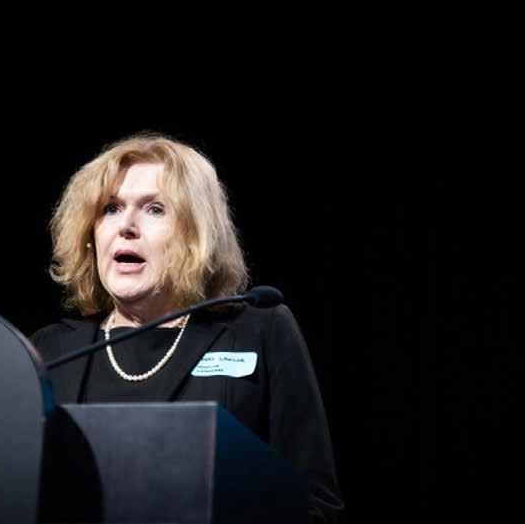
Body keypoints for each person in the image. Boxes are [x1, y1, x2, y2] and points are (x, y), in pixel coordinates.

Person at [31, 133, 344, 522]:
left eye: (155, 209)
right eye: (111, 209)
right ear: (90, 236)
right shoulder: (53, 351)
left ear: (196, 234)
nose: (126, 225)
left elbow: (316, 504)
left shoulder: (259, 332)